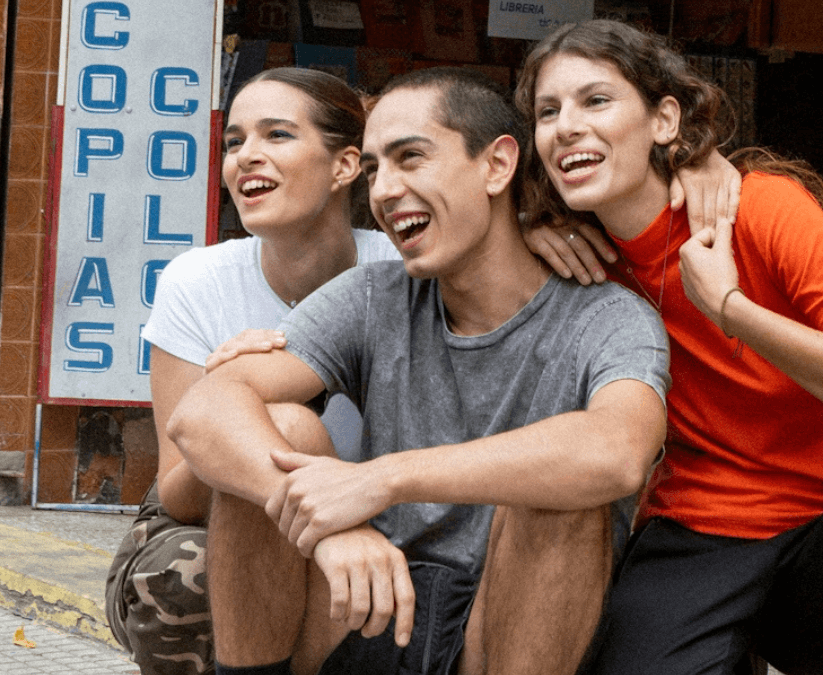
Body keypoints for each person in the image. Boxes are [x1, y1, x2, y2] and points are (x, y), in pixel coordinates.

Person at [104, 64, 733, 675]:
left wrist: (382, 481)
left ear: (497, 164)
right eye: (375, 170)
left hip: (507, 619)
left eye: (411, 158)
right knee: (285, 429)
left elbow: (617, 451)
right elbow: (207, 409)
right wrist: (327, 526)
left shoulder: (607, 316)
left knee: (561, 492)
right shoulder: (375, 294)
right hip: (368, 603)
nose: (381, 191)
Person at [515, 19, 823, 675]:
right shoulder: (573, 257)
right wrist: (522, 221)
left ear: (663, 119)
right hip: (697, 532)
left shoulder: (762, 210)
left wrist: (733, 311)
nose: (565, 125)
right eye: (547, 111)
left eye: (595, 100)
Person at [104, 67, 399, 675]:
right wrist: (234, 400)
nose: (247, 158)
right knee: (283, 429)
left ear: (346, 166)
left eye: (277, 136)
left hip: (375, 516)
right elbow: (177, 494)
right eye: (235, 141)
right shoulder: (197, 280)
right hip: (221, 523)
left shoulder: (404, 273)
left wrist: (557, 229)